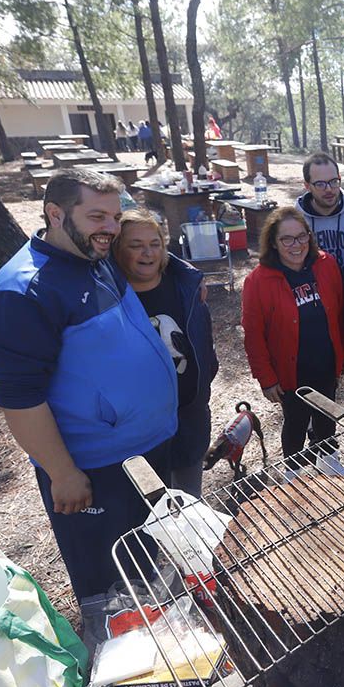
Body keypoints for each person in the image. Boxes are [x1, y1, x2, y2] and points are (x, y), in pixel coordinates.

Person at [0, 168, 177, 604]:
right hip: (96, 467)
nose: (110, 228)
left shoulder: (94, 258)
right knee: (109, 575)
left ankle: (157, 627)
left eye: (114, 217)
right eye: (96, 216)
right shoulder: (23, 293)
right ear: (55, 214)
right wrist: (62, 473)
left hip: (141, 449)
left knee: (145, 557)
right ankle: (117, 650)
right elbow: (19, 399)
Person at [113, 208, 218, 497]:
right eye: (135, 245)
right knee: (151, 503)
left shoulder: (186, 287)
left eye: (155, 244)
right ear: (118, 250)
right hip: (140, 426)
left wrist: (205, 378)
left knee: (189, 499)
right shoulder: (109, 297)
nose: (147, 253)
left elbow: (203, 338)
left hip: (189, 415)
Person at [241, 207, 344, 471]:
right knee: (296, 422)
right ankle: (294, 472)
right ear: (273, 243)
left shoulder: (326, 264)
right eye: (286, 239)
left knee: (326, 417)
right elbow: (254, 336)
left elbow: (339, 312)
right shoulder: (258, 281)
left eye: (302, 237)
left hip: (325, 364)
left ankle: (328, 463)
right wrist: (266, 379)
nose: (296, 245)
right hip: (290, 372)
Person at [296, 151, 344, 424]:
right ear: (307, 185)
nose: (329, 189)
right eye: (320, 184)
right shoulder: (295, 218)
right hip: (315, 311)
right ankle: (322, 438)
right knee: (319, 381)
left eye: (334, 181)